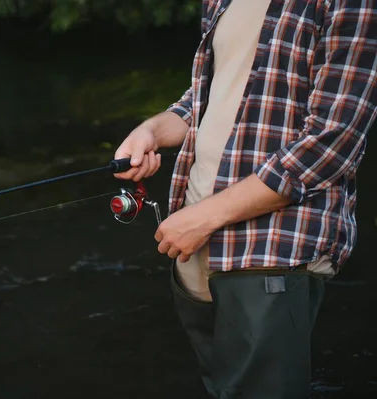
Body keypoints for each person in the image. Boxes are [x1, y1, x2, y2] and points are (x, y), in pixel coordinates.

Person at [114, 0, 376, 398]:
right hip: (193, 245)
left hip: (271, 252)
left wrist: (206, 217)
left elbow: (333, 139)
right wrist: (151, 131)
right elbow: (207, 94)